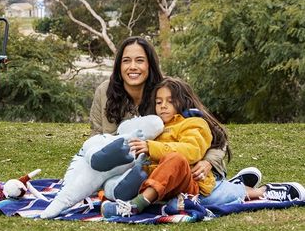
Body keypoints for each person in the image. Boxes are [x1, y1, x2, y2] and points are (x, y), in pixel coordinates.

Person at [102, 78, 302, 217]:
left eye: (170, 101)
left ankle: (135, 206)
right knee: (173, 200)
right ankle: (138, 200)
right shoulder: (157, 127)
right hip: (165, 188)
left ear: (183, 101)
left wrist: (151, 147)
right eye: (159, 101)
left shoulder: (194, 123)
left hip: (190, 182)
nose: (163, 106)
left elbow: (191, 151)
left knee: (177, 161)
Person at [88, 36, 228, 184]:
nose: (133, 66)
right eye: (126, 60)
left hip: (167, 171)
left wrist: (208, 162)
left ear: (150, 64)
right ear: (119, 65)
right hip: (119, 172)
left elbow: (217, 134)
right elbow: (96, 136)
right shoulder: (104, 91)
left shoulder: (168, 91)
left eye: (140, 60)